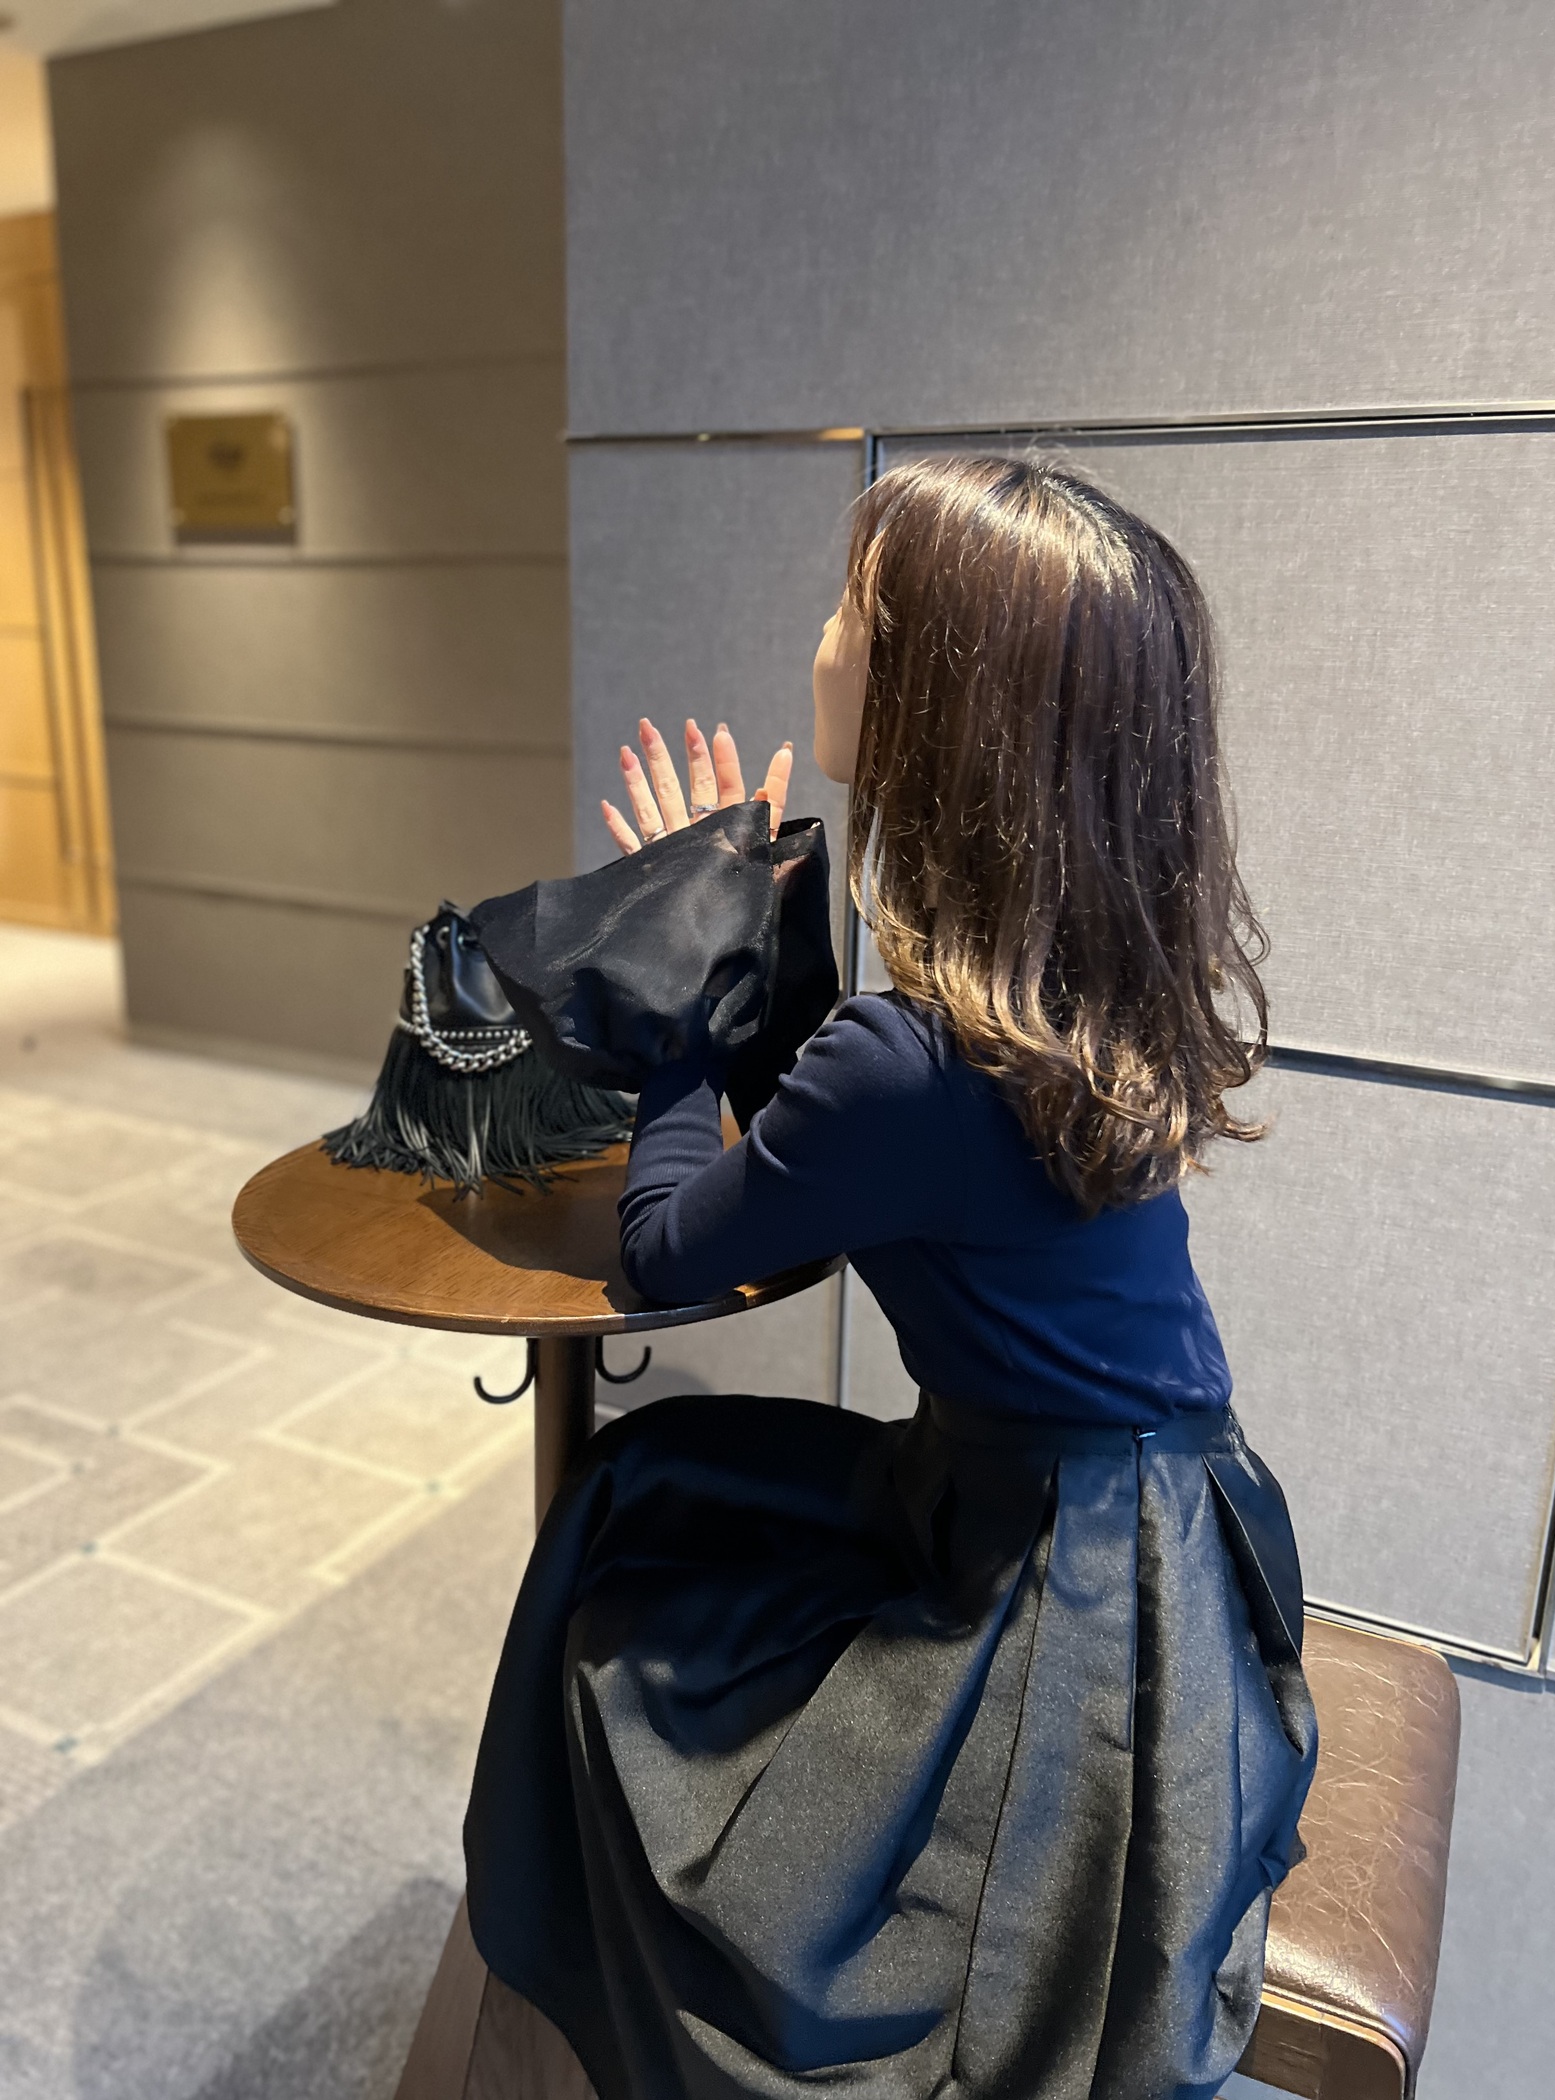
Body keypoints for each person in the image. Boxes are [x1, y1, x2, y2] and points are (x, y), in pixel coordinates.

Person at [456, 455, 1318, 2100]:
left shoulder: (913, 1057)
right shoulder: (1061, 986)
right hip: (1165, 1538)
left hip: (1062, 1610)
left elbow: (662, 1249)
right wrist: (730, 912)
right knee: (657, 1484)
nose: (821, 636)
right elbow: (837, 1146)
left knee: (624, 1588)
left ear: (934, 697)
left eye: (851, 608)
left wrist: (675, 995)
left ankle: (546, 2010)